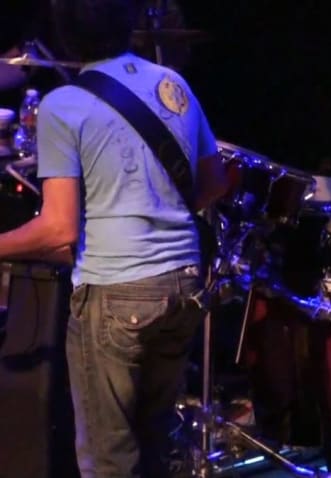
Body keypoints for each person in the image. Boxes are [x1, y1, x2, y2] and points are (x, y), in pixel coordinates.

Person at [0, 0, 228, 476]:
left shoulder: (63, 104)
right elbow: (215, 184)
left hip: (116, 295)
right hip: (184, 286)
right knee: (153, 452)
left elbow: (59, 228)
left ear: (63, 36)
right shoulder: (174, 85)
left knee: (110, 463)